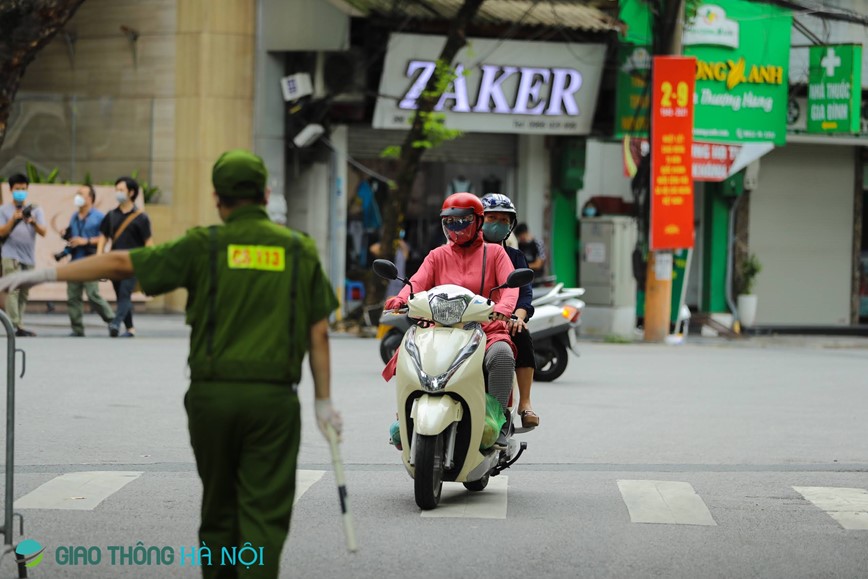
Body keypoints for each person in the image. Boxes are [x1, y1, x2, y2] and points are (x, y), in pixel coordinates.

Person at [0, 149, 343, 579]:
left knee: (218, 510)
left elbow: (124, 262)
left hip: (211, 400)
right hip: (273, 403)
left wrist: (44, 275)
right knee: (263, 516)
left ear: (217, 198)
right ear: (266, 194)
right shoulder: (298, 249)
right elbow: (318, 332)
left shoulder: (205, 245)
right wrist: (323, 402)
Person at [383, 192, 518, 447]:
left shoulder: (496, 254)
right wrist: (400, 299)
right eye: (449, 221)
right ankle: (405, 415)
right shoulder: (437, 255)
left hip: (486, 329)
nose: (456, 227)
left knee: (502, 354)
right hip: (440, 328)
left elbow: (510, 287)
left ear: (478, 221)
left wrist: (504, 307)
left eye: (463, 220)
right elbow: (417, 282)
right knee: (407, 352)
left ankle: (497, 418)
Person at [480, 193, 539, 428]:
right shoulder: (457, 253)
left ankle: (525, 403)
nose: (497, 224)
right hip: (464, 320)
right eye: (491, 218)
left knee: (521, 333)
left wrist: (516, 316)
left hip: (502, 320)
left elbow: (523, 296)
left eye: (504, 220)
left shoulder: (515, 257)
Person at [97, 177, 153, 337]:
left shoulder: (141, 217)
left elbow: (148, 242)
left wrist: (150, 262)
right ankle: (130, 328)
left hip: (134, 262)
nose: (118, 193)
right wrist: (100, 255)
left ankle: (115, 323)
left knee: (124, 292)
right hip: (115, 262)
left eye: (121, 190)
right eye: (117, 190)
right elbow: (103, 237)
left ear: (131, 192)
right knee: (121, 293)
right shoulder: (111, 215)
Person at [62, 185, 115, 337]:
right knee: (73, 297)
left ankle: (112, 320)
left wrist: (85, 241)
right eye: (77, 193)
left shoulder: (99, 217)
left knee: (93, 295)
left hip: (91, 261)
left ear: (90, 198)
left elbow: (104, 238)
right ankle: (77, 328)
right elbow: (72, 235)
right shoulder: (74, 216)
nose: (77, 196)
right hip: (75, 261)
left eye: (81, 194)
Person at [0, 173, 46, 336]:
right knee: (13, 289)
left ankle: (18, 323)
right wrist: (13, 219)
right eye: (17, 189)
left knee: (24, 291)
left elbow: (44, 232)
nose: (20, 191)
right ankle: (14, 325)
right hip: (10, 255)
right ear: (11, 190)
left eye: (23, 189)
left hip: (28, 256)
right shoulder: (4, 210)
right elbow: (1, 232)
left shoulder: (35, 209)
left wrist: (32, 221)